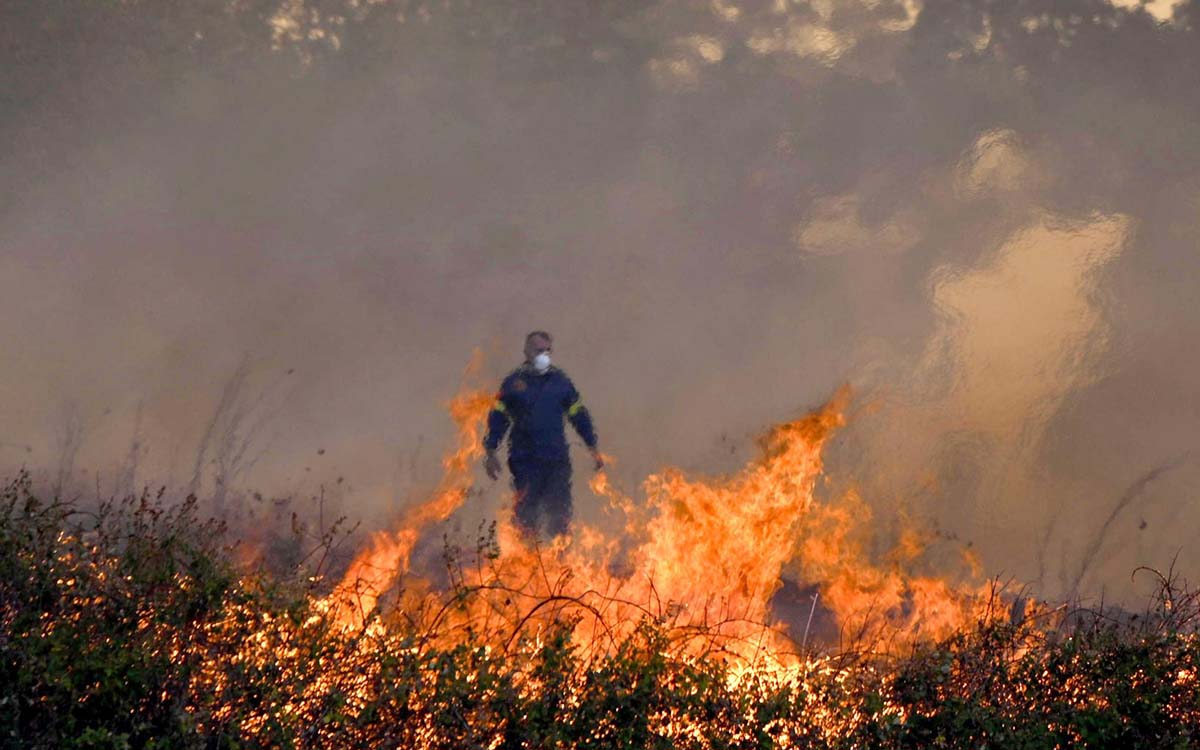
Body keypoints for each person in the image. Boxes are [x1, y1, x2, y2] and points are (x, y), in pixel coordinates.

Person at [483, 331, 603, 538]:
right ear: (527, 352)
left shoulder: (560, 382)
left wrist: (592, 446)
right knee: (527, 518)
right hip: (525, 461)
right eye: (539, 351)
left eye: (547, 351)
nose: (544, 356)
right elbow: (498, 419)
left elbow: (578, 415)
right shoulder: (513, 383)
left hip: (556, 461)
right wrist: (491, 451)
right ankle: (527, 555)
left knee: (560, 516)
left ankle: (559, 554)